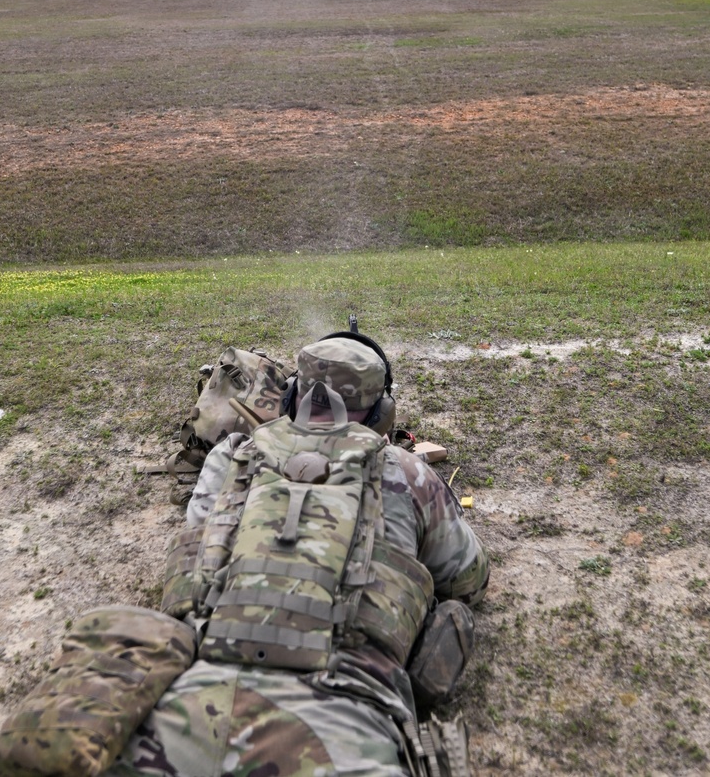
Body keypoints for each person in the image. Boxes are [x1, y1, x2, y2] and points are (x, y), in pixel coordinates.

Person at [110, 332, 489, 777]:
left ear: (290, 396)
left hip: (186, 718)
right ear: (384, 415)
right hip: (347, 729)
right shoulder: (409, 473)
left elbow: (199, 545)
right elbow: (468, 578)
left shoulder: (232, 456)